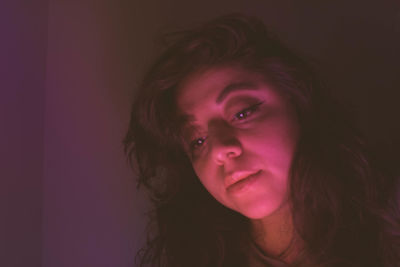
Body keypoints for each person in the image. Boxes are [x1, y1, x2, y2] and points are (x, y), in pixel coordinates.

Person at [124, 14, 399, 267]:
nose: (220, 149)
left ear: (296, 98)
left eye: (242, 112)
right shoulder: (195, 257)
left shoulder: (386, 222)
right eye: (197, 141)